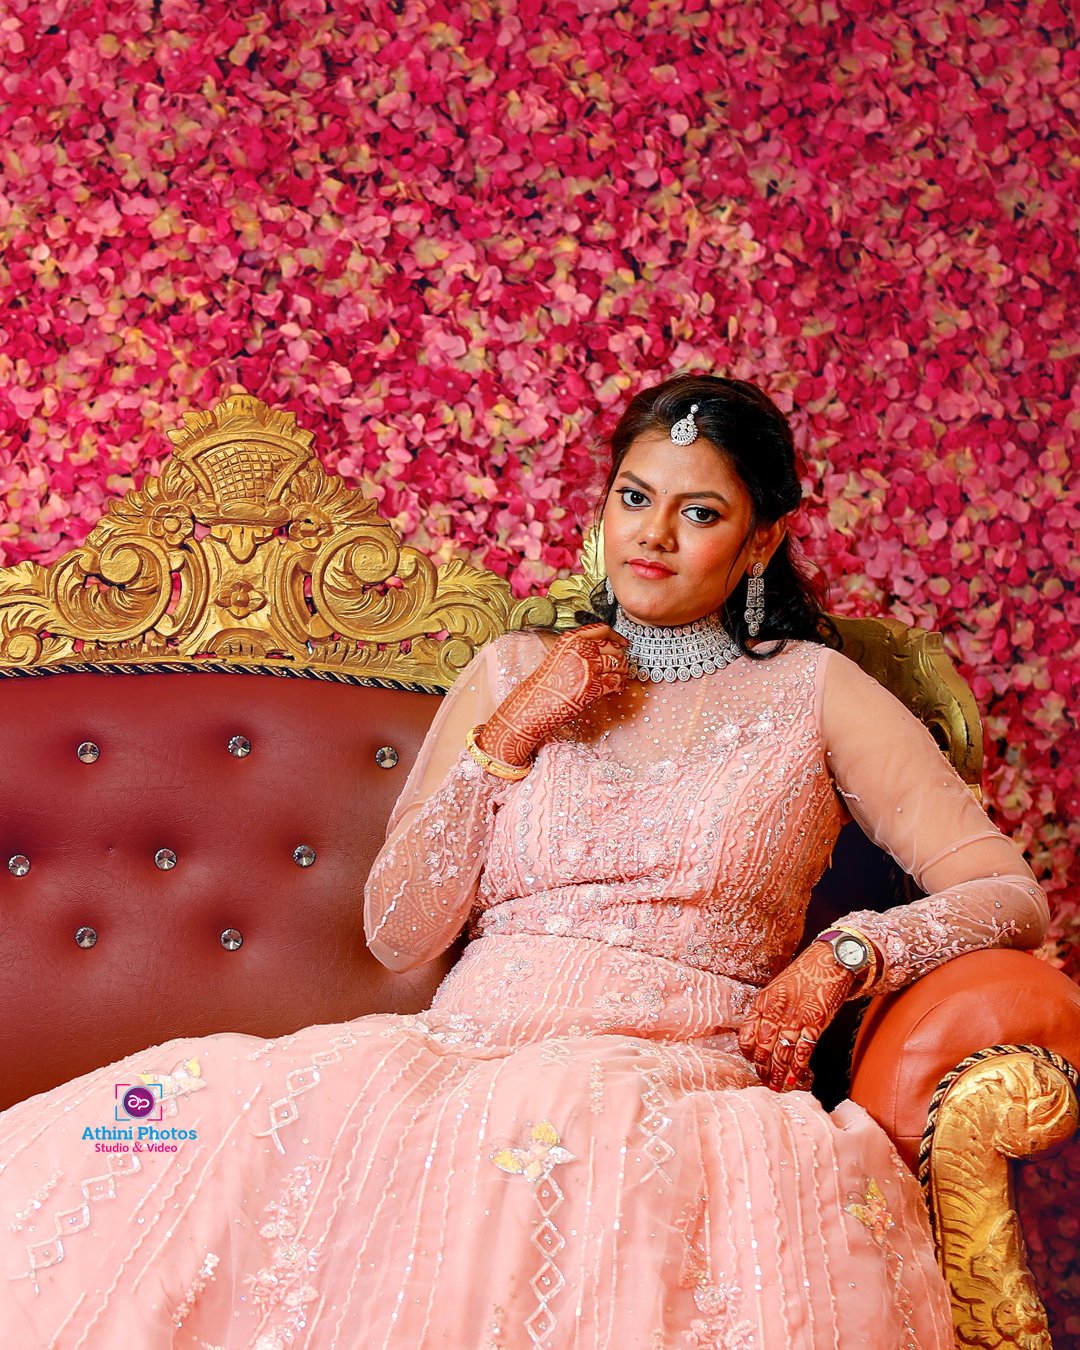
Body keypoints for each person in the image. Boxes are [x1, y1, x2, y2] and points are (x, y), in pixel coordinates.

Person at [0, 374, 1047, 1348]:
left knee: (571, 1155)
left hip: (668, 1079)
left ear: (762, 538)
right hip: (457, 1060)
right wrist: (509, 734)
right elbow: (400, 933)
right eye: (634, 498)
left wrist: (849, 956)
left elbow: (1007, 891)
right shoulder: (513, 672)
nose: (653, 536)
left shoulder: (814, 691)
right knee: (150, 1166)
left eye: (699, 512)